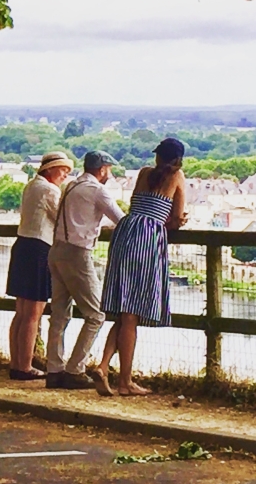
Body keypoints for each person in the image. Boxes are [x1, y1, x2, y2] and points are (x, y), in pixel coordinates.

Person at [95, 138, 187, 396]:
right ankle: (125, 383)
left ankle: (103, 367)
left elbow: (138, 201)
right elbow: (177, 217)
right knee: (132, 312)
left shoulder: (144, 173)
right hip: (148, 238)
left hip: (126, 230)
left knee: (124, 312)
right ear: (178, 159)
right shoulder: (177, 177)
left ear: (158, 156)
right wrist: (172, 222)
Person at [46, 150, 126, 390]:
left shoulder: (70, 186)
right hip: (78, 253)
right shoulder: (97, 191)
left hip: (56, 250)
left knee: (59, 313)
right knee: (96, 314)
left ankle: (54, 369)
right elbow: (121, 219)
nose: (109, 174)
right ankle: (75, 369)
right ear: (102, 169)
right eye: (109, 170)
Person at [6, 152, 74, 380]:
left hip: (23, 245)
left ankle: (16, 363)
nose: (65, 174)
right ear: (50, 169)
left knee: (21, 313)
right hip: (39, 249)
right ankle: (24, 366)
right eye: (62, 169)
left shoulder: (31, 186)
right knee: (34, 313)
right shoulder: (49, 190)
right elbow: (61, 219)